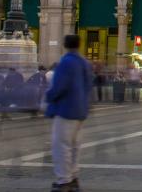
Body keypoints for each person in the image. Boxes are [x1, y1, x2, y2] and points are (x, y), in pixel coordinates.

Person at [45, 34, 93, 191]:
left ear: (65, 45)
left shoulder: (66, 62)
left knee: (61, 146)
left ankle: (63, 181)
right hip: (80, 111)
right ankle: (73, 177)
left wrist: (49, 96)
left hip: (66, 110)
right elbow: (88, 86)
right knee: (74, 146)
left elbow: (59, 87)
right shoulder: (84, 63)